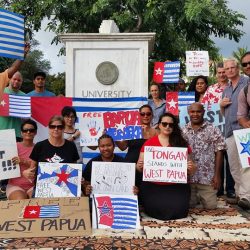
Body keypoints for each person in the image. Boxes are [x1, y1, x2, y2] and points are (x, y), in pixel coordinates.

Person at [136, 112, 196, 220]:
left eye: (171, 125)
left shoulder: (182, 143)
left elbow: (191, 170)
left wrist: (191, 168)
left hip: (177, 186)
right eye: (164, 124)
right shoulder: (149, 143)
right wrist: (140, 166)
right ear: (159, 125)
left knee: (179, 210)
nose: (167, 127)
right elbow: (139, 168)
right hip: (153, 186)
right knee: (156, 209)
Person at [182, 103, 226, 209]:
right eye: (192, 112)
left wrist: (217, 175)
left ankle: (201, 197)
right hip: (188, 179)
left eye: (198, 111)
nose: (195, 114)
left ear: (203, 112)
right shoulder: (182, 131)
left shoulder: (213, 129)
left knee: (211, 207)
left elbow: (220, 151)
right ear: (189, 113)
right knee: (189, 206)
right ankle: (195, 198)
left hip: (207, 178)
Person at [201, 63, 235, 199]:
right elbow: (204, 107)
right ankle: (218, 188)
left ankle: (231, 189)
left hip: (230, 128)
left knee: (231, 159)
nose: (222, 75)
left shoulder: (233, 87)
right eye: (219, 72)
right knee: (217, 159)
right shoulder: (210, 89)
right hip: (215, 130)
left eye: (223, 72)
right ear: (216, 74)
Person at [220, 58, 249, 208]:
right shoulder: (225, 90)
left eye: (233, 67)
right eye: (227, 68)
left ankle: (246, 196)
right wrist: (221, 105)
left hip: (245, 130)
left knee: (246, 165)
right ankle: (239, 194)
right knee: (233, 166)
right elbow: (224, 114)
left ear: (237, 68)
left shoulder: (247, 82)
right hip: (230, 131)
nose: (230, 70)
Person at [27, 116, 79, 187]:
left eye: (59, 127)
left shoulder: (71, 146)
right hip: (43, 188)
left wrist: (78, 178)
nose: (56, 129)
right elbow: (31, 170)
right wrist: (26, 173)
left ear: (63, 128)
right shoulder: (39, 146)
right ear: (49, 128)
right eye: (52, 126)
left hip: (65, 188)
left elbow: (74, 169)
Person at [116, 104, 158, 187]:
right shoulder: (131, 130)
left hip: (149, 170)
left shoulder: (157, 132)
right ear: (139, 116)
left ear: (152, 115)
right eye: (142, 114)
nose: (145, 116)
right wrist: (114, 137)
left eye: (148, 114)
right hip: (130, 168)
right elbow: (122, 147)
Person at [6, 119, 37, 200]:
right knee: (20, 201)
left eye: (31, 130)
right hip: (15, 185)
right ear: (21, 133)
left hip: (34, 186)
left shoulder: (39, 148)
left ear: (35, 132)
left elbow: (40, 166)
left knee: (35, 203)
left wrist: (23, 161)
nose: (28, 132)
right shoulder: (12, 146)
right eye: (25, 130)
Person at [234, 52, 250, 209]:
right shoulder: (244, 91)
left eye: (249, 62)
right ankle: (246, 197)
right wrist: (246, 124)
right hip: (248, 132)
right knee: (246, 164)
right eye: (244, 64)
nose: (248, 66)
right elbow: (241, 115)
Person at [0, 72, 26, 141]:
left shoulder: (24, 96)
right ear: (10, 79)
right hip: (2, 131)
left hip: (17, 134)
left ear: (21, 82)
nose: (16, 81)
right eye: (14, 79)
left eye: (19, 80)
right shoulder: (1, 91)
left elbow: (26, 119)